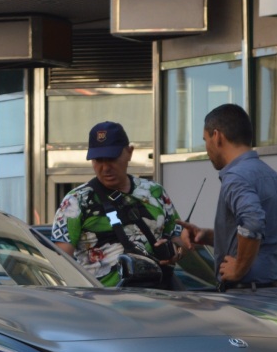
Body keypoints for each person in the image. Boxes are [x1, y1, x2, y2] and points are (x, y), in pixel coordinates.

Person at [50, 121, 183, 287]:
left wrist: (175, 250)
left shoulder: (156, 192)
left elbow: (180, 239)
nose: (105, 168)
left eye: (112, 158)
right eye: (98, 160)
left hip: (159, 298)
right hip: (103, 304)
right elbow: (60, 262)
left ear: (129, 152)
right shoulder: (75, 202)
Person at [181, 104, 277, 296]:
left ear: (217, 136)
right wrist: (210, 236)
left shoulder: (235, 177)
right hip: (272, 292)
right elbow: (264, 233)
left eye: (205, 140)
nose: (206, 148)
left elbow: (253, 223)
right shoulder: (271, 175)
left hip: (246, 297)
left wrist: (239, 267)